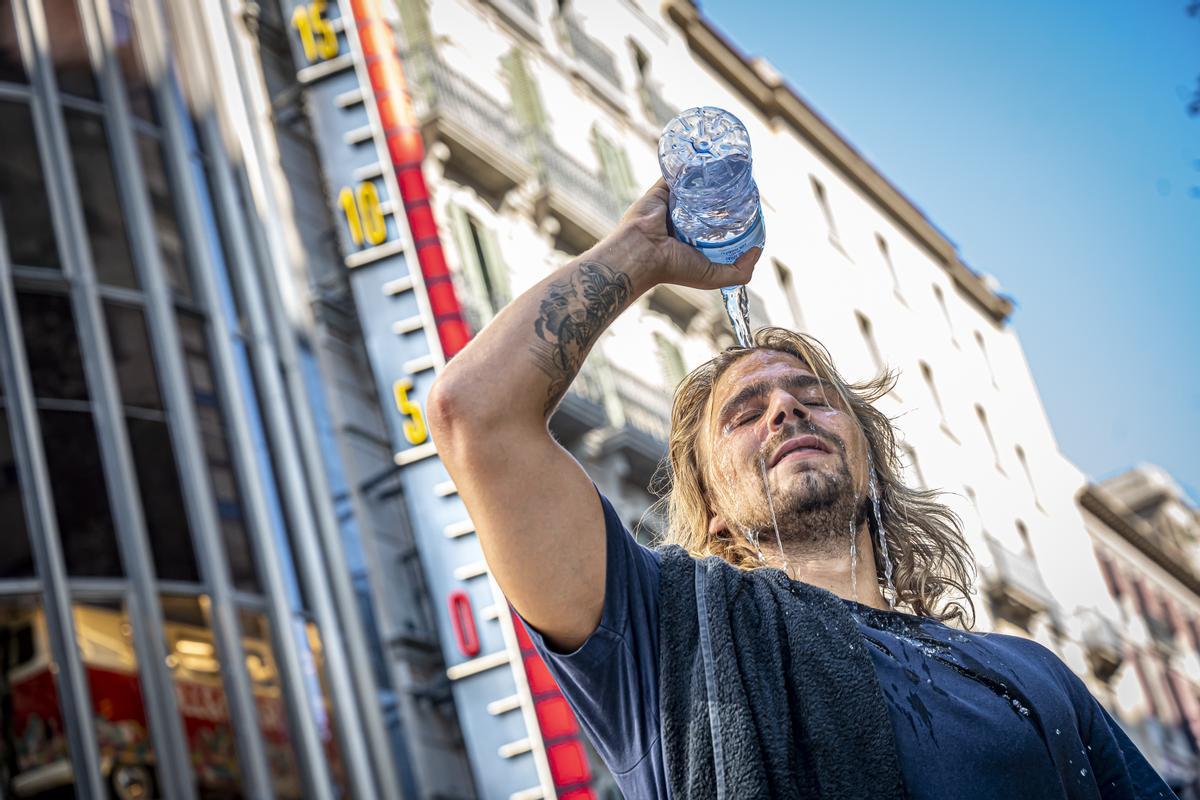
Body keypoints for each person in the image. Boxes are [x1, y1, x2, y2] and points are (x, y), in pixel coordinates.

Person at [427, 180, 1174, 799]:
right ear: (713, 511)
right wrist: (641, 253)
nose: (784, 409)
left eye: (813, 399)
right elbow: (476, 413)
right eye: (745, 415)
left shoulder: (1030, 671)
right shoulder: (660, 638)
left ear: (870, 462)